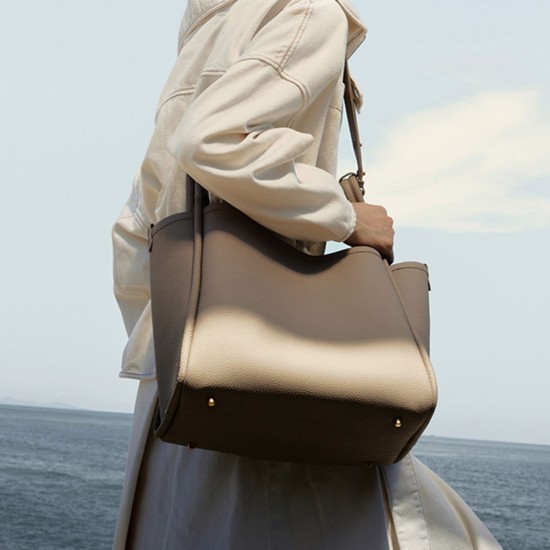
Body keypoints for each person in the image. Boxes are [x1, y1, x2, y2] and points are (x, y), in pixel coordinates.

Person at [112, 0, 502, 548]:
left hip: (183, 375)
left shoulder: (211, 30)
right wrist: (346, 216)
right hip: (270, 369)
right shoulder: (311, 11)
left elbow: (136, 221)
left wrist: (167, 331)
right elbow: (211, 139)